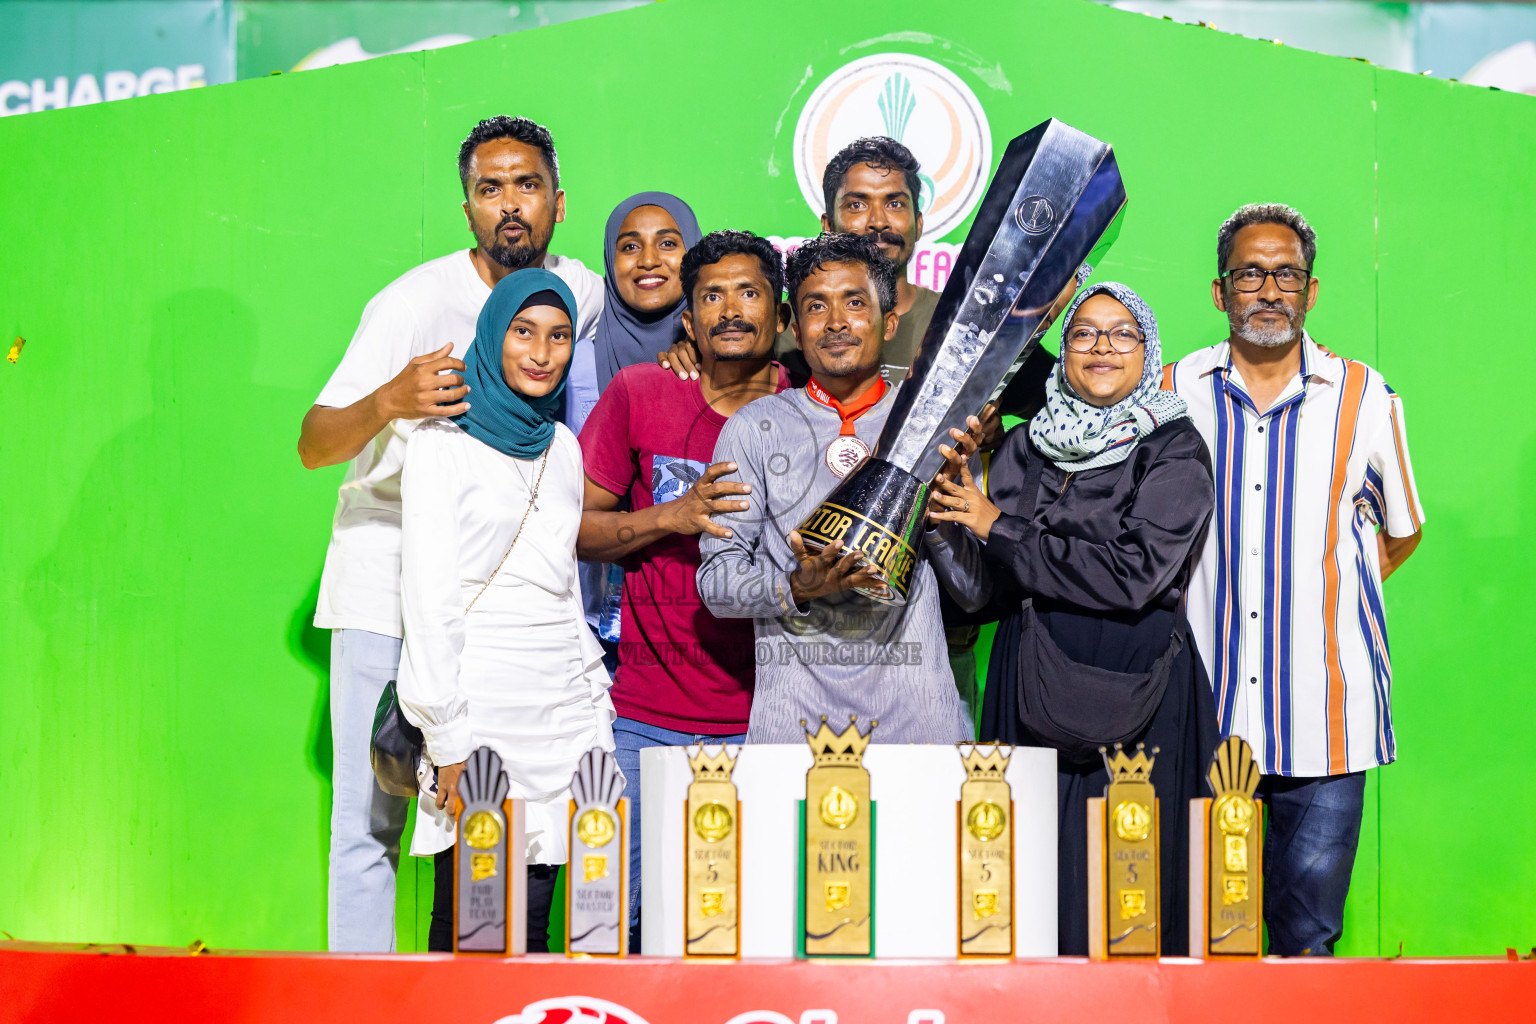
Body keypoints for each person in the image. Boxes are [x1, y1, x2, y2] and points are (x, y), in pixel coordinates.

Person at [296, 114, 602, 952]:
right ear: (466, 207)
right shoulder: (413, 300)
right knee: (373, 818)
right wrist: (390, 399)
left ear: (558, 202)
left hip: (487, 612)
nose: (510, 204)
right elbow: (315, 443)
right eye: (488, 188)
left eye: (527, 185)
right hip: (382, 587)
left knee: (490, 815)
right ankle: (362, 1007)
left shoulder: (575, 291)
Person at [928, 281, 1219, 957]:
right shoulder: (1029, 445)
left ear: (1148, 351)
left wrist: (997, 525)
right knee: (1030, 895)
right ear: (1063, 353)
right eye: (1084, 333)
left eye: (1122, 333)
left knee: (1131, 900)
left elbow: (1134, 575)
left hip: (1138, 688)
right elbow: (993, 589)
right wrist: (942, 521)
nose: (1102, 347)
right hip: (1029, 682)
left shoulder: (1174, 449)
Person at [1167, 203, 1425, 956]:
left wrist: (1323, 595)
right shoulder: (1173, 390)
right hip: (1204, 721)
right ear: (1220, 292)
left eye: (1287, 274)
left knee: (1309, 944)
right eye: (1250, 273)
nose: (1269, 289)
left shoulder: (1364, 396)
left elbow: (1401, 532)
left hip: (1327, 722)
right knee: (1207, 945)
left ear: (1311, 293)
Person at [578, 229, 790, 949]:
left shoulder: (814, 409)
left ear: (781, 314)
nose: (731, 310)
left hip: (772, 724)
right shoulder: (640, 392)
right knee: (611, 930)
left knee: (744, 936)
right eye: (712, 296)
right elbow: (572, 529)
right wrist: (673, 514)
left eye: (750, 292)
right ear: (688, 320)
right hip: (642, 717)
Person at [395, 269, 613, 954]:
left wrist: (592, 714)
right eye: (524, 333)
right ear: (493, 337)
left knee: (550, 922)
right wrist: (448, 737)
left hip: (561, 710)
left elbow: (564, 587)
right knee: (473, 925)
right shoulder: (440, 444)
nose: (543, 353)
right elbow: (428, 601)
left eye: (558, 337)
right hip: (479, 706)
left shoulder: (564, 448)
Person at [697, 232, 970, 743]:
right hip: (794, 729)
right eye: (816, 307)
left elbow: (976, 584)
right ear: (795, 330)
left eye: (855, 303)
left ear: (889, 322)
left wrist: (951, 514)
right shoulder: (754, 428)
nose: (837, 322)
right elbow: (717, 584)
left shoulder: (935, 426)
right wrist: (797, 586)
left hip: (918, 725)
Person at [582, 193, 704, 657]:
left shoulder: (727, 368)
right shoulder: (569, 358)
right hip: (584, 609)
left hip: (688, 616)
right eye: (629, 246)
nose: (648, 260)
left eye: (669, 243)